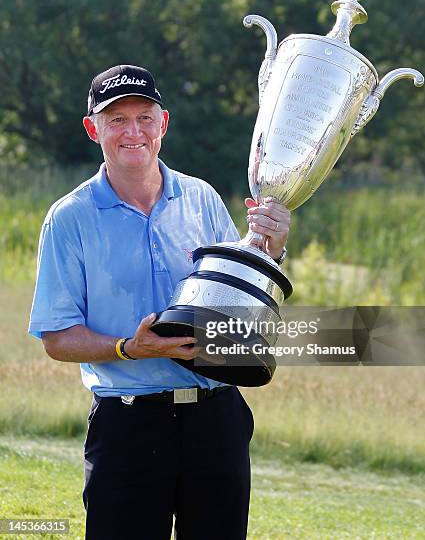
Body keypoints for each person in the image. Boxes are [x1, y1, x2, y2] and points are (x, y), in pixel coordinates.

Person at [29, 64, 290, 540]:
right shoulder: (69, 218)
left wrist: (269, 249)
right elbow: (57, 338)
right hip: (128, 424)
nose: (133, 132)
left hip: (217, 420)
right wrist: (131, 348)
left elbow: (240, 304)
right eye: (117, 119)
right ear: (94, 130)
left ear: (163, 124)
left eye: (144, 117)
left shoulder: (202, 198)